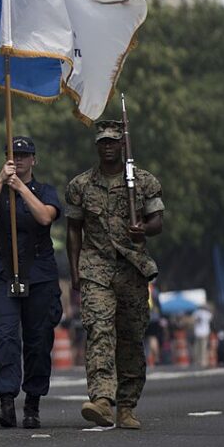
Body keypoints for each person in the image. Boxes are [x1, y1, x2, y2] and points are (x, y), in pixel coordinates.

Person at [66, 120, 164, 430]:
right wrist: (75, 273)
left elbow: (157, 221)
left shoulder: (144, 181)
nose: (107, 146)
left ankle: (127, 404)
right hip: (96, 267)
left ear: (122, 145)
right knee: (99, 331)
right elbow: (73, 230)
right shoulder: (80, 185)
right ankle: (102, 400)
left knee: (131, 339)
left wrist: (144, 229)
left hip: (132, 268)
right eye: (102, 142)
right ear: (96, 146)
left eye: (112, 141)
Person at [0, 136, 63, 429]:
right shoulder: (0, 189)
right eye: (14, 155)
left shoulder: (45, 191)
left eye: (25, 155)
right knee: (4, 336)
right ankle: (5, 401)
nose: (20, 159)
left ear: (33, 160)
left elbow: (44, 217)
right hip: (3, 271)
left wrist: (21, 189)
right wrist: (1, 181)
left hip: (39, 274)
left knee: (38, 340)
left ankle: (33, 403)